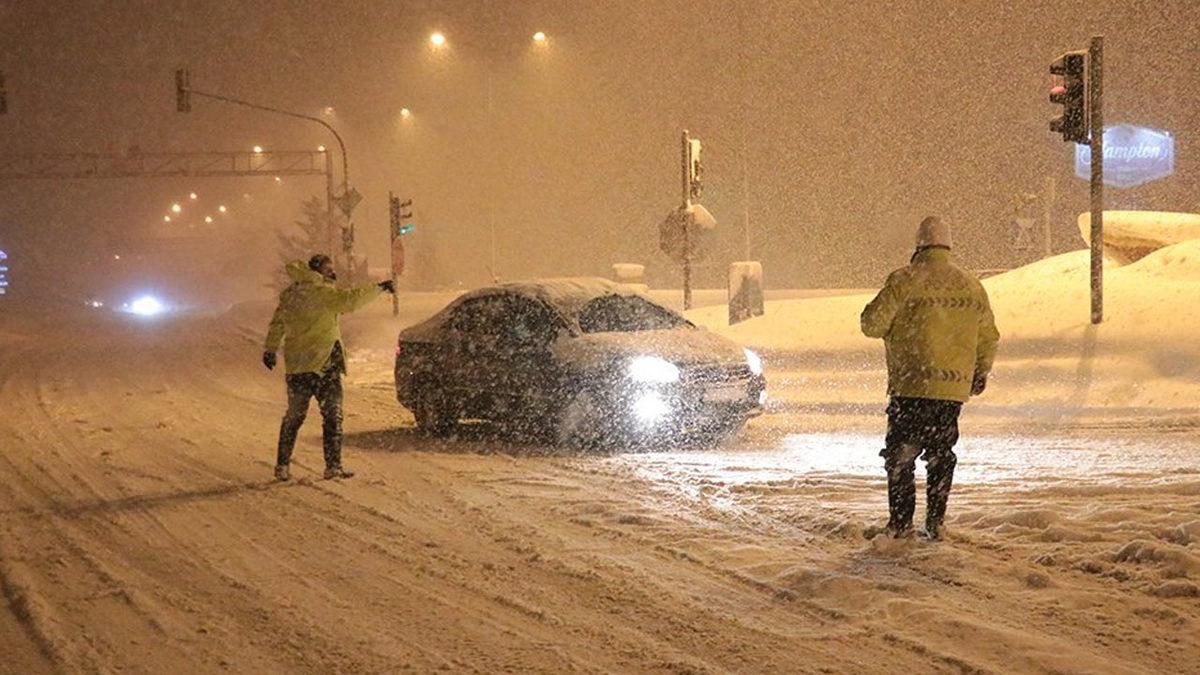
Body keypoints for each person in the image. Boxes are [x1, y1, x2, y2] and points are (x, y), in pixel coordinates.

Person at [860, 217, 1000, 540]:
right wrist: (980, 370)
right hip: (951, 390)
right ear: (948, 246)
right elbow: (989, 335)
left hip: (910, 386)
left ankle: (899, 525)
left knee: (901, 456)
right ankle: (936, 522)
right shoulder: (971, 286)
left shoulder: (904, 281)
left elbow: (872, 324)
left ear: (919, 245)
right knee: (941, 455)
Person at [263, 254, 395, 481]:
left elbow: (278, 323)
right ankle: (332, 466)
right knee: (332, 416)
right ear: (318, 271)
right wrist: (380, 288)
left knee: (294, 416)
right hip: (325, 363)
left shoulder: (291, 295)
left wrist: (270, 348)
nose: (333, 273)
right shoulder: (321, 292)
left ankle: (282, 466)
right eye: (329, 269)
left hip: (298, 367)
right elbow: (350, 301)